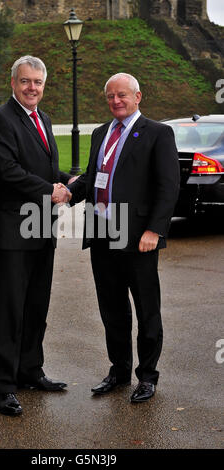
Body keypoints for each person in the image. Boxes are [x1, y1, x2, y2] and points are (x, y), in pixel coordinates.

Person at [68, 73, 180, 403]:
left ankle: (147, 376)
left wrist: (155, 230)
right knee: (112, 309)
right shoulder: (101, 133)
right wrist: (67, 193)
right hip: (102, 234)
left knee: (147, 309)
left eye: (122, 95)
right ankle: (118, 371)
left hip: (137, 238)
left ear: (137, 97)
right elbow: (92, 176)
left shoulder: (158, 133)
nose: (116, 101)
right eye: (110, 96)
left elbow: (168, 185)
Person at [0, 55, 71, 416]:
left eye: (37, 82)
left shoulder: (43, 119)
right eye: (25, 81)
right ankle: (4, 387)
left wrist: (68, 181)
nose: (32, 87)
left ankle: (30, 371)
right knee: (9, 310)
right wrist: (51, 189)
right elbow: (7, 171)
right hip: (12, 232)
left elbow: (44, 167)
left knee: (36, 307)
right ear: (13, 83)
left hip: (41, 229)